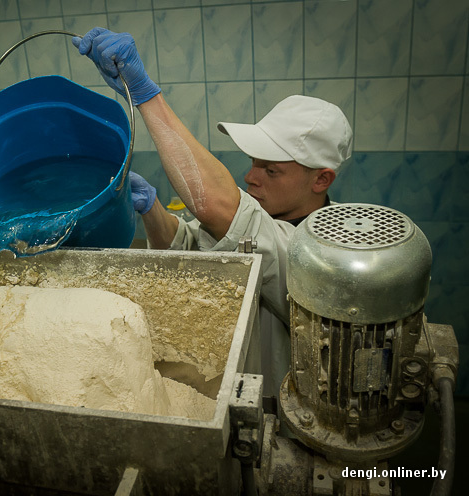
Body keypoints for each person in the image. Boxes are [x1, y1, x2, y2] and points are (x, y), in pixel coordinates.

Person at [72, 28, 352, 397]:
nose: (251, 177)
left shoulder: (327, 253)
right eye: (254, 163)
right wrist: (152, 209)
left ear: (321, 180)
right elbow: (192, 245)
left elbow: (218, 209)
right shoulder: (274, 214)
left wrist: (145, 96)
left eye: (271, 170)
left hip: (284, 411)